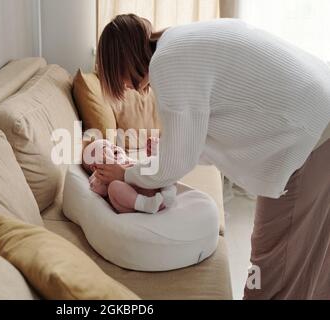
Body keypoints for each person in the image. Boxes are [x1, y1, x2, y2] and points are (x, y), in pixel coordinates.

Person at [94, 14, 330, 299]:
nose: (128, 89)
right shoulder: (180, 42)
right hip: (316, 115)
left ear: (122, 59)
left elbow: (178, 162)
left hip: (307, 135)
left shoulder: (167, 64)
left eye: (118, 79)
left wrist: (126, 173)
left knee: (273, 260)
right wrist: (167, 145)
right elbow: (206, 132)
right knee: (312, 253)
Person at [83, 138, 177, 214]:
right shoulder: (98, 173)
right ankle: (145, 204)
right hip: (131, 201)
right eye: (104, 147)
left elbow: (144, 169)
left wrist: (151, 157)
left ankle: (168, 193)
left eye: (113, 145)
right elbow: (100, 189)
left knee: (156, 165)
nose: (114, 146)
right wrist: (100, 176)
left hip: (149, 185)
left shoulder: (129, 160)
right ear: (94, 167)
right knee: (114, 187)